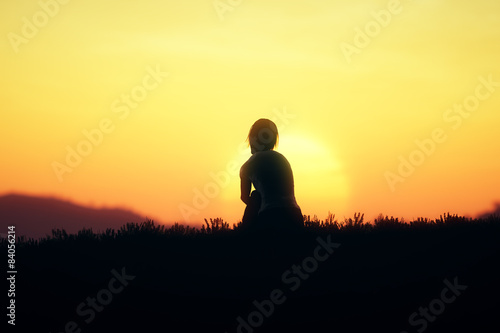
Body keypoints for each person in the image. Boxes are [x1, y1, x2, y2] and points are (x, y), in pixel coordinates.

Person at [239, 119, 303, 231]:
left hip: (270, 216)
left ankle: (245, 243)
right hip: (295, 215)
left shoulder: (247, 165)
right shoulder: (282, 159)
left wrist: (258, 202)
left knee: (254, 196)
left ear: (252, 139)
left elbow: (244, 197)